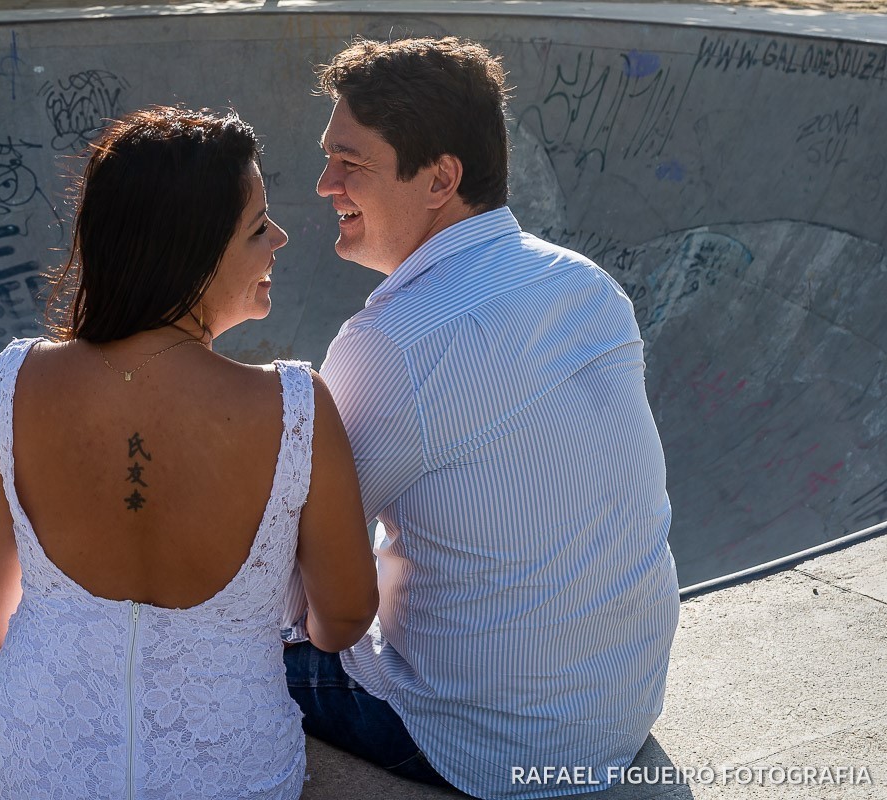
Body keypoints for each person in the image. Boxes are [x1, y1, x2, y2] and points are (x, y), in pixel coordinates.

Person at [0, 105, 378, 800]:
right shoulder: (295, 406)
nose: (279, 238)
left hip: (26, 767)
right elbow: (342, 619)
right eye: (257, 227)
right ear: (190, 254)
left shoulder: (14, 381)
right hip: (232, 776)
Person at [282, 37, 681, 799]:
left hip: (485, 742)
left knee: (201, 650)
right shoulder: (587, 284)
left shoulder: (393, 342)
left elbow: (304, 586)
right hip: (619, 710)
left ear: (441, 179)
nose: (326, 184)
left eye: (351, 162)